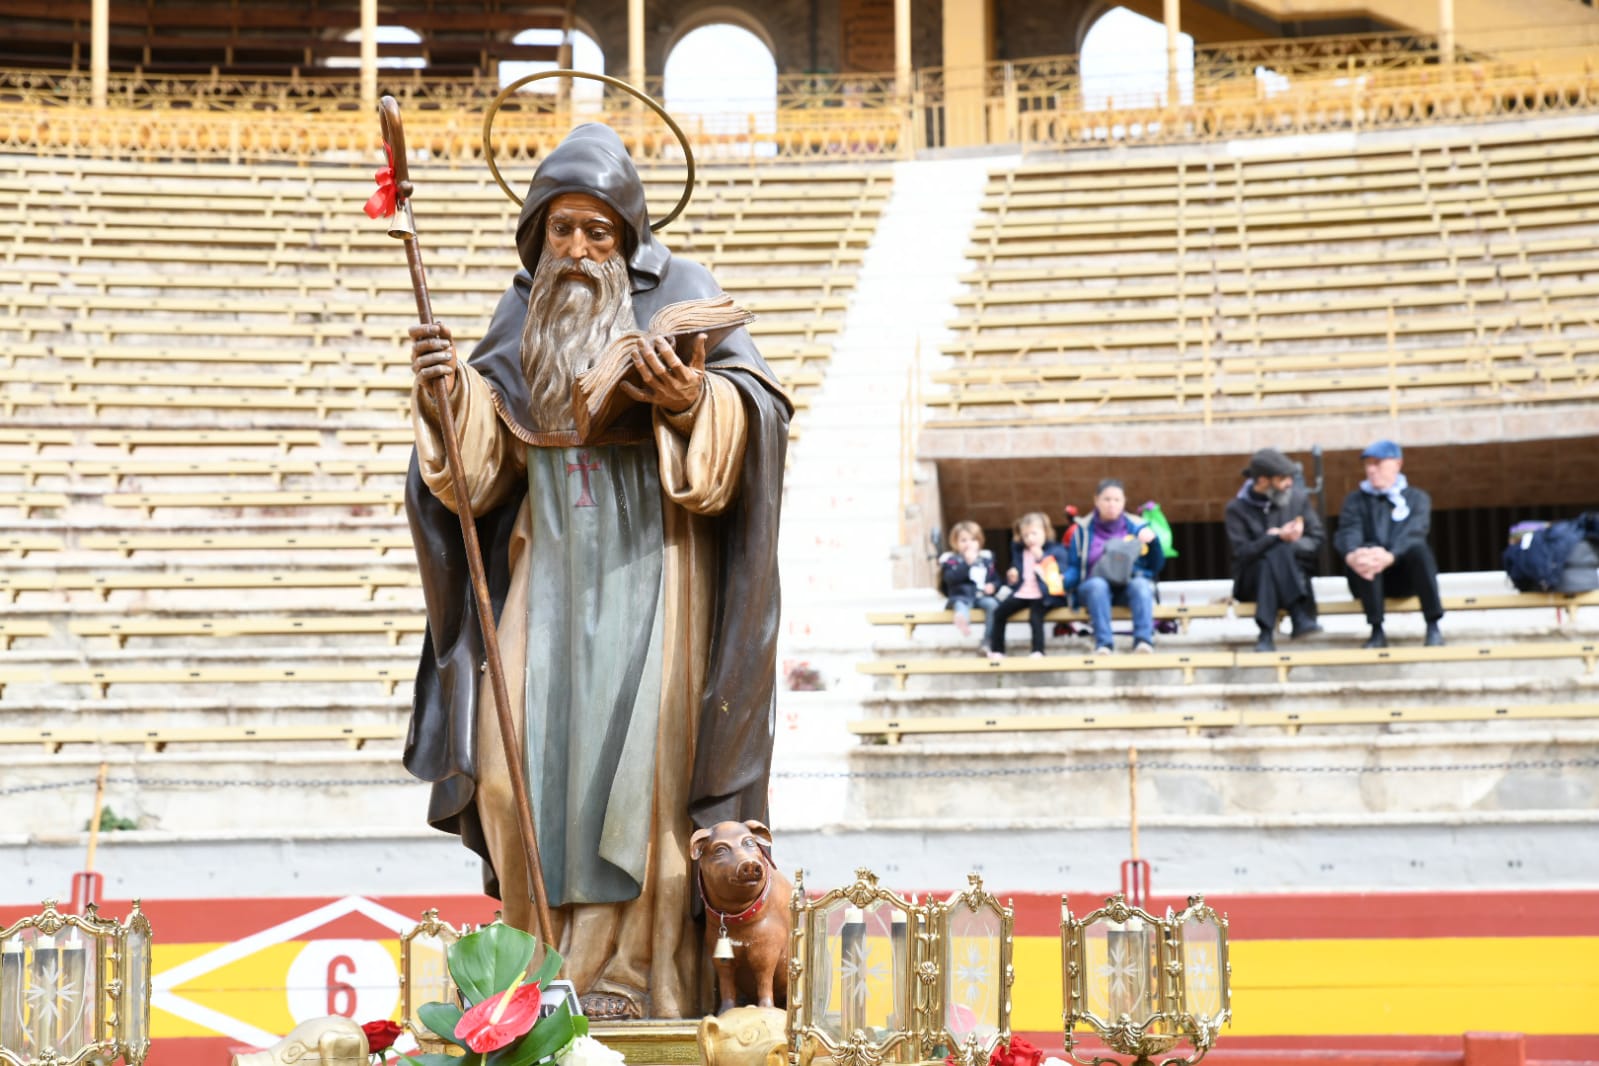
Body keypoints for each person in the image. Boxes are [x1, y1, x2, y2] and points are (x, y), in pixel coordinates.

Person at [402, 124, 792, 1019]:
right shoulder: (517, 312)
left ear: (629, 235)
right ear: (536, 234)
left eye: (598, 232)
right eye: (561, 230)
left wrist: (696, 400)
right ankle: (535, 979)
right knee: (507, 776)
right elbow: (476, 479)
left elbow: (760, 415)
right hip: (548, 564)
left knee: (646, 792)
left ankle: (635, 982)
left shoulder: (683, 292)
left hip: (653, 570)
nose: (576, 249)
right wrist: (446, 397)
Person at [1332, 439, 1443, 648]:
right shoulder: (1354, 501)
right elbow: (1348, 532)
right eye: (1368, 464)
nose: (1372, 470)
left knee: (1420, 551)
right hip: (1368, 577)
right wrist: (1353, 555)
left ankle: (1433, 626)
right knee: (1365, 556)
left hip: (1406, 577)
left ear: (1397, 464)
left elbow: (1415, 532)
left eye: (1378, 463)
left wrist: (1390, 556)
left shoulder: (1417, 498)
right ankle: (1376, 631)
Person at [1225, 447, 1326, 652]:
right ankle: (1298, 615)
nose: (1289, 484)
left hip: (1294, 575)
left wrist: (1290, 542)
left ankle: (1265, 632)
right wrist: (1273, 538)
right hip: (1252, 583)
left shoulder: (1297, 500)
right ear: (1262, 480)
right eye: (1283, 479)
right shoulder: (1237, 509)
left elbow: (1316, 539)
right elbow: (1242, 553)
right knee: (1267, 557)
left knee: (1275, 553)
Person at [1064, 479, 1165, 654]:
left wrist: (1154, 543)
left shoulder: (1137, 526)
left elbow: (1155, 566)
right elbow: (1074, 566)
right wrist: (1062, 582)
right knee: (1098, 586)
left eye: (1117, 500)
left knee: (1141, 584)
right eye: (1107, 499)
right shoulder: (1081, 530)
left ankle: (1143, 641)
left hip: (1127, 586)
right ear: (1096, 500)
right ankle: (1104, 644)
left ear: (1124, 501)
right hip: (1094, 588)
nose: (1112, 504)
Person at [988, 512, 1070, 659]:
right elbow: (1017, 574)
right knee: (999, 612)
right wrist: (1012, 576)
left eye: (1034, 533)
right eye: (1026, 536)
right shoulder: (1020, 552)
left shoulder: (1056, 550)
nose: (1030, 538)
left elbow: (1059, 574)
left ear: (1045, 531)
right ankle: (997, 650)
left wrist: (1042, 558)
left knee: (1035, 617)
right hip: (1023, 592)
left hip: (1045, 595)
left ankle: (1038, 650)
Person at [938, 520, 998, 645]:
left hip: (981, 596)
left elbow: (995, 578)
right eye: (963, 540)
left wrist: (993, 586)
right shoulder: (952, 560)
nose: (968, 544)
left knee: (993, 605)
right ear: (955, 542)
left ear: (979, 542)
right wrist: (966, 564)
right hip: (960, 596)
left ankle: (988, 640)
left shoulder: (985, 560)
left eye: (973, 540)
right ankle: (962, 620)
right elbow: (949, 578)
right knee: (961, 606)